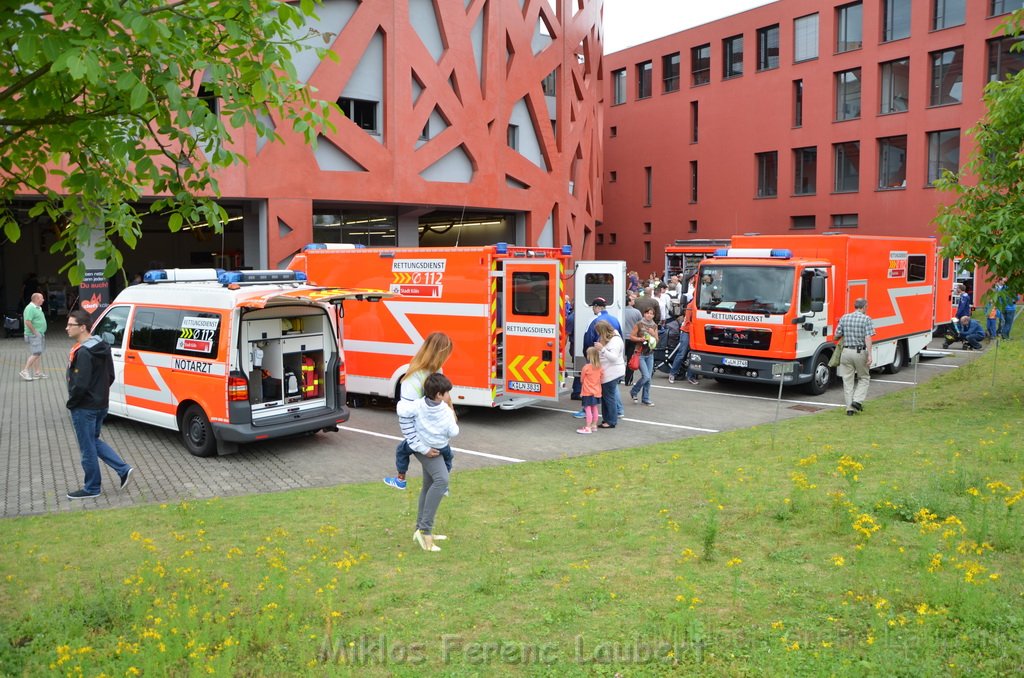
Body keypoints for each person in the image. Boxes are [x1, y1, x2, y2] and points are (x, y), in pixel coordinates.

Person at [65, 310, 133, 499]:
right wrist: (100, 394)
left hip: (85, 407)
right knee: (93, 441)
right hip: (101, 404)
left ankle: (92, 488)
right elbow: (110, 376)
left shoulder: (85, 352)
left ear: (83, 327)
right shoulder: (103, 346)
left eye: (71, 325)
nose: (67, 328)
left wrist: (72, 403)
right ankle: (123, 469)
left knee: (87, 448)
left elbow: (80, 384)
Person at [384, 332, 454, 490]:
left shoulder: (431, 372)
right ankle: (443, 486)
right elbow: (407, 418)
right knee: (440, 475)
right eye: (446, 354)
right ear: (439, 354)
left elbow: (407, 418)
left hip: (426, 435)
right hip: (432, 436)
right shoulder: (417, 378)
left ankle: (401, 479)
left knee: (402, 451)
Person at [409, 373, 459, 552]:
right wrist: (452, 412)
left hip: (419, 447)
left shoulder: (419, 404)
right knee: (441, 480)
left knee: (428, 484)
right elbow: (454, 432)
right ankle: (426, 531)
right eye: (447, 393)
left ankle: (419, 528)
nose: (448, 396)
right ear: (439, 395)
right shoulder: (444, 410)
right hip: (432, 451)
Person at [573, 298, 623, 419]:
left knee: (591, 384)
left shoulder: (594, 321)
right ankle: (619, 409)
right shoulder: (615, 320)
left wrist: (588, 356)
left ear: (597, 307)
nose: (592, 309)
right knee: (612, 386)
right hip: (613, 361)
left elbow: (588, 340)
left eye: (593, 307)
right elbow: (620, 335)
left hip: (598, 356)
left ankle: (587, 410)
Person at [834, 298, 875, 417]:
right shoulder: (866, 319)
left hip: (845, 352)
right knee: (864, 378)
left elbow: (837, 335)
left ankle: (849, 409)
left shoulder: (844, 317)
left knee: (847, 381)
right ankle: (857, 401)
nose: (867, 309)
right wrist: (870, 355)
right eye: (867, 307)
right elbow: (868, 337)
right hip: (859, 352)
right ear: (863, 307)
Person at [593, 320, 625, 428]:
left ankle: (611, 421)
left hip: (612, 373)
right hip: (608, 372)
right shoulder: (611, 338)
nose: (598, 334)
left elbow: (614, 358)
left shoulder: (615, 340)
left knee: (609, 397)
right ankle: (607, 419)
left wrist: (602, 350)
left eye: (599, 332)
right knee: (606, 397)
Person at [628, 306, 658, 406]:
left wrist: (653, 334)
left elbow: (657, 341)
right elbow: (631, 336)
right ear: (644, 314)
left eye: (651, 313)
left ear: (654, 315)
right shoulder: (639, 324)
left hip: (650, 354)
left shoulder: (654, 326)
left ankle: (646, 398)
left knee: (648, 378)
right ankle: (634, 391)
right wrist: (640, 339)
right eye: (647, 313)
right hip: (640, 353)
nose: (649, 315)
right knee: (645, 376)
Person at [668, 302, 699, 385]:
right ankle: (672, 374)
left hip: (694, 332)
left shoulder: (700, 304)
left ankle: (691, 376)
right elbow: (689, 320)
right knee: (682, 354)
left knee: (694, 355)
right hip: (687, 331)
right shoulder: (691, 305)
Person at [20, 292, 48, 381]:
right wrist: (35, 332)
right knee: (36, 353)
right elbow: (27, 321)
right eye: (42, 298)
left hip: (39, 334)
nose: (43, 300)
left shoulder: (38, 308)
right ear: (36, 299)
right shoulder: (30, 308)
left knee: (38, 353)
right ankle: (25, 370)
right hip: (34, 335)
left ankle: (37, 372)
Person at [576, 346, 603, 434]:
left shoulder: (586, 367)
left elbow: (581, 379)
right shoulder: (600, 367)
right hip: (597, 392)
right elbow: (602, 379)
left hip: (587, 392)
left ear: (589, 356)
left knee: (587, 409)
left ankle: (588, 427)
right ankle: (594, 425)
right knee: (594, 408)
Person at [621, 293, 642, 387]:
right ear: (629, 302)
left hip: (622, 337)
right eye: (632, 300)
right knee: (630, 359)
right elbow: (641, 325)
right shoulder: (637, 312)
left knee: (620, 359)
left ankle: (618, 378)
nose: (634, 301)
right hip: (632, 338)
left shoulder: (621, 311)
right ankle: (628, 380)